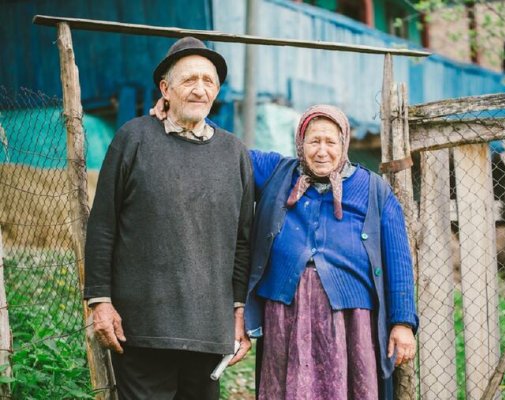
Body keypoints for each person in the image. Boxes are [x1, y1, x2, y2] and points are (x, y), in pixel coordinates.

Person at [84, 36, 254, 400]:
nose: (199, 89)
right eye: (189, 80)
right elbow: (102, 226)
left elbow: (243, 241)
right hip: (142, 328)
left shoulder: (234, 152)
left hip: (208, 330)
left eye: (208, 81)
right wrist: (100, 300)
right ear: (165, 88)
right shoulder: (133, 139)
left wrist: (239, 313)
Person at [244, 104, 418, 400]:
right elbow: (228, 153)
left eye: (330, 142)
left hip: (351, 316)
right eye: (313, 141)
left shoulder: (373, 189)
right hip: (285, 310)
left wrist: (402, 322)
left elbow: (398, 260)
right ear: (300, 143)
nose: (321, 151)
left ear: (344, 144)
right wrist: (184, 112)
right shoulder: (278, 173)